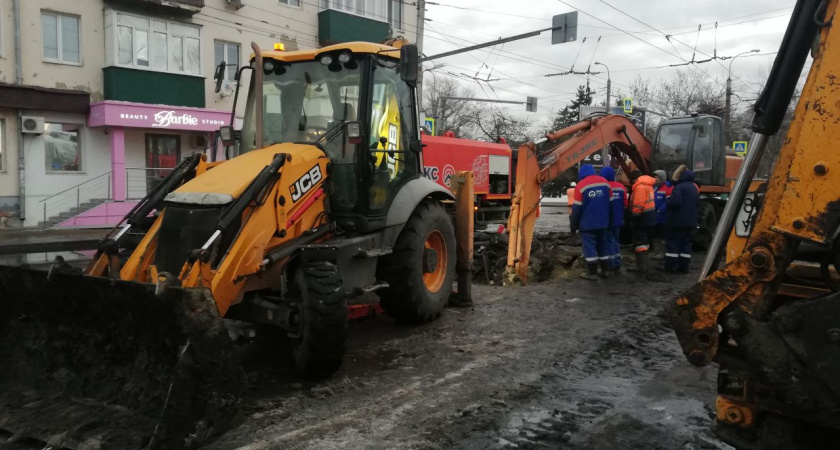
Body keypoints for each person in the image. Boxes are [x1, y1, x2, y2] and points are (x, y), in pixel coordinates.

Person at [570, 164, 611, 280]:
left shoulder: (581, 185)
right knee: (603, 245)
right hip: (603, 223)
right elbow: (611, 203)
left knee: (589, 247)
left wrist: (573, 226)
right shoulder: (605, 183)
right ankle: (605, 271)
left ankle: (592, 273)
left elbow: (576, 209)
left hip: (587, 224)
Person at [665, 165, 700, 273]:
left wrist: (668, 201)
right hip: (691, 221)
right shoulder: (694, 187)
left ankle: (671, 267)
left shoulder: (680, 187)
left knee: (673, 243)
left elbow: (675, 202)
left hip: (677, 221)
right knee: (686, 243)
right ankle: (684, 267)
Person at [628, 170, 657, 275]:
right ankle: (643, 265)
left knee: (640, 243)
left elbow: (638, 206)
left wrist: (634, 219)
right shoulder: (648, 185)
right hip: (649, 217)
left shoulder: (640, 187)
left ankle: (641, 266)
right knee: (644, 242)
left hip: (641, 218)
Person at [599, 166, 627, 274]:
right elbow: (625, 204)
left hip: (608, 220)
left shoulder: (604, 187)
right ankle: (617, 262)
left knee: (608, 242)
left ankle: (612, 264)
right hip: (619, 219)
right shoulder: (621, 187)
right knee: (616, 241)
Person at [651, 170, 672, 260]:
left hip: (663, 216)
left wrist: (661, 210)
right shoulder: (653, 187)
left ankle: (662, 252)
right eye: (655, 177)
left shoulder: (667, 186)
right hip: (654, 215)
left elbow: (668, 201)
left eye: (658, 177)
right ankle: (656, 251)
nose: (656, 179)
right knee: (655, 234)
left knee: (662, 235)